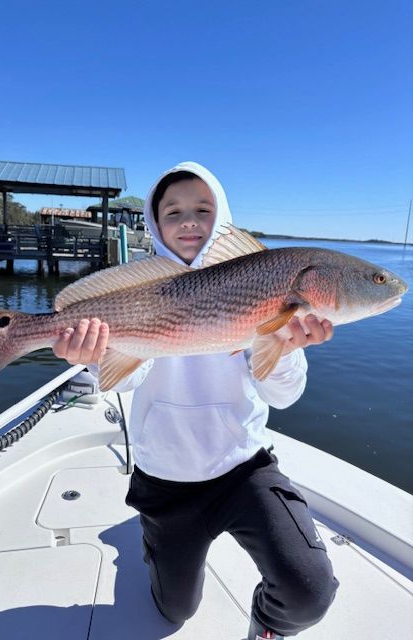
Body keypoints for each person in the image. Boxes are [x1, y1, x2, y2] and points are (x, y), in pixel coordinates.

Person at [53, 161, 339, 639]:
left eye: (203, 210)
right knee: (174, 613)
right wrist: (91, 358)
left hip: (244, 470)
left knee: (310, 590)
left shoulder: (266, 282)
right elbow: (126, 379)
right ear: (154, 222)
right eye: (174, 212)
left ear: (223, 217)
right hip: (165, 480)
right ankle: (149, 539)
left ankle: (267, 626)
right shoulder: (136, 284)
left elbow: (284, 396)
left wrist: (286, 350)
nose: (189, 222)